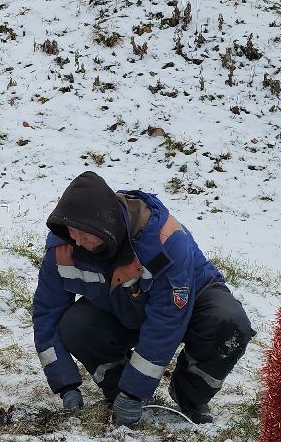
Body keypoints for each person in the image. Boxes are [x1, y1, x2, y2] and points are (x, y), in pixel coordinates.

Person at [30, 171, 255, 426]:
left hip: (189, 302)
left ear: (106, 227)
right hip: (122, 308)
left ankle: (190, 395)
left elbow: (167, 318)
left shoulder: (164, 239)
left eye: (85, 233)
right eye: (72, 231)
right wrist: (65, 384)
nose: (77, 240)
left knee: (228, 323)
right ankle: (116, 388)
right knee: (75, 324)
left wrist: (135, 390)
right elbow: (47, 312)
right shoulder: (62, 246)